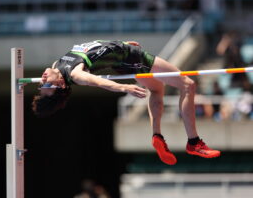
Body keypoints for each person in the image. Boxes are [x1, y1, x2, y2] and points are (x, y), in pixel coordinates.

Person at [32, 40, 221, 165]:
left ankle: (157, 136)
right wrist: (124, 88)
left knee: (156, 89)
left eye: (42, 84)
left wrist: (120, 44)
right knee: (188, 85)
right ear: (61, 85)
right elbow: (99, 82)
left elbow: (93, 48)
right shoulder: (76, 75)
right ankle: (194, 142)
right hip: (131, 57)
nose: (43, 78)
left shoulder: (58, 65)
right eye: (47, 84)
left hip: (123, 54)